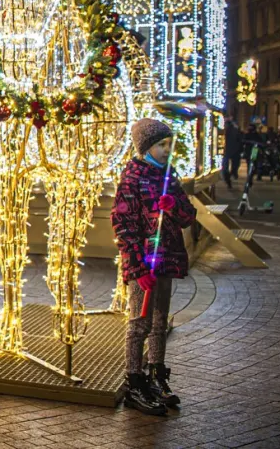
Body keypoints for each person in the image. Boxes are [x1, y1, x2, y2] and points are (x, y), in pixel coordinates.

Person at [111, 118, 197, 416]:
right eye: (161, 145)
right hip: (145, 266)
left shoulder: (168, 176)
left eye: (168, 144)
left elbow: (188, 216)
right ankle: (134, 381)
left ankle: (155, 374)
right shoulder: (132, 179)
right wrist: (137, 267)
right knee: (139, 324)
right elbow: (123, 225)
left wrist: (174, 205)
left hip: (167, 259)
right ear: (145, 147)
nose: (166, 150)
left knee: (160, 322)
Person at [222, 122, 244, 189]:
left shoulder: (225, 131)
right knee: (231, 167)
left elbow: (240, 141)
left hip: (228, 152)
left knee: (226, 169)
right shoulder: (235, 131)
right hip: (233, 152)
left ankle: (229, 178)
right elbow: (241, 141)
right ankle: (232, 175)